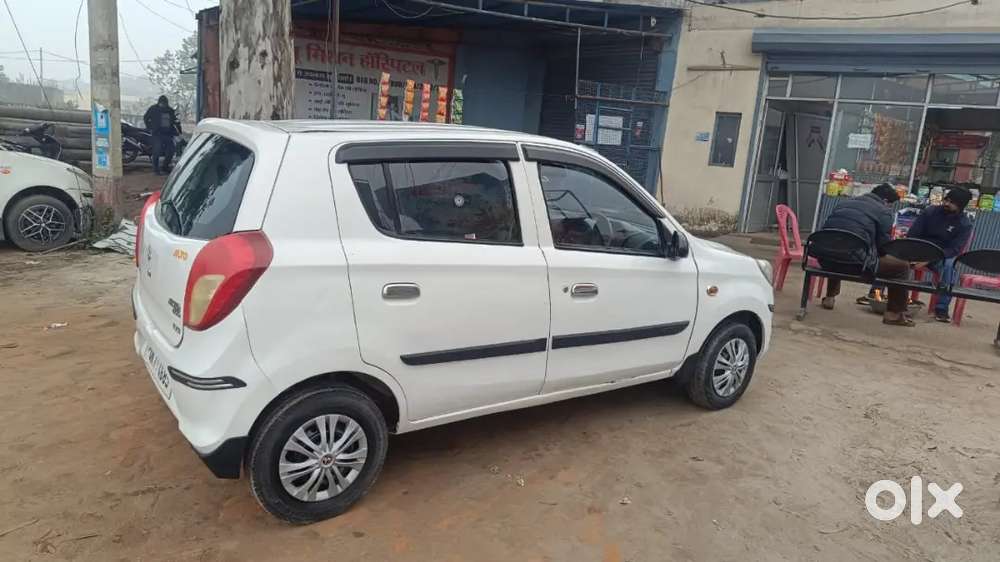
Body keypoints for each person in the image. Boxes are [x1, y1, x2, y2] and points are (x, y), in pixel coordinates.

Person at [819, 183, 914, 326]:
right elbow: (883, 248)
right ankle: (894, 314)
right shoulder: (883, 212)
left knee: (840, 246)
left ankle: (829, 297)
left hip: (825, 260)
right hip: (855, 265)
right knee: (901, 267)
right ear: (886, 202)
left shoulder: (845, 203)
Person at [906, 187, 973, 322]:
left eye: (951, 202)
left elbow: (954, 250)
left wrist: (930, 258)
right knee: (892, 257)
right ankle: (877, 293)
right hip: (919, 249)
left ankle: (941, 309)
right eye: (946, 200)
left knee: (949, 266)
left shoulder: (964, 224)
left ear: (961, 206)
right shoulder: (930, 212)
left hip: (940, 256)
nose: (946, 204)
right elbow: (912, 234)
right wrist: (917, 254)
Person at [143, 95, 181, 175]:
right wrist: (150, 127)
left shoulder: (170, 110)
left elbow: (174, 120)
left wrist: (177, 129)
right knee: (157, 151)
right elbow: (146, 118)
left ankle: (165, 167)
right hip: (157, 134)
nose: (163, 105)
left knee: (171, 151)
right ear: (159, 103)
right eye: (162, 104)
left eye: (164, 104)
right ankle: (156, 169)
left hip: (168, 134)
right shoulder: (153, 109)